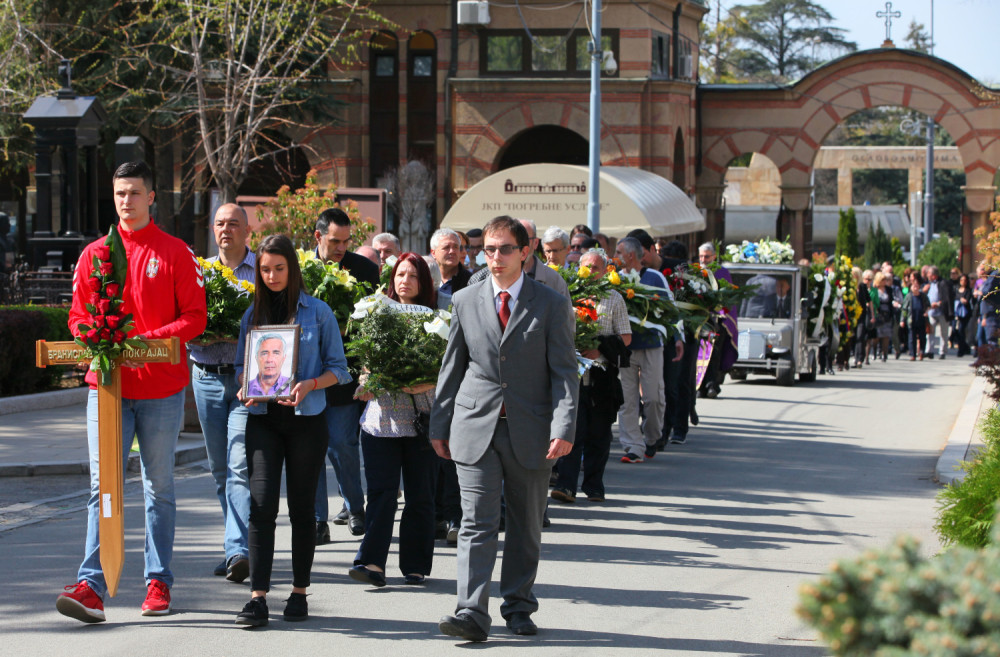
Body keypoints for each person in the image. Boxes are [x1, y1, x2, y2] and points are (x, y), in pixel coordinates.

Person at [58, 161, 207, 623]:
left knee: (158, 486)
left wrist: (150, 342)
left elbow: (195, 317)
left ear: (152, 197)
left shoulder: (175, 251)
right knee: (103, 487)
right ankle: (91, 586)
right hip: (106, 388)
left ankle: (158, 581)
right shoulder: (95, 253)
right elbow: (78, 318)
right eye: (120, 193)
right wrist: (94, 339)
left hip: (161, 390)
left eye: (135, 193)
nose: (126, 201)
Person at [430, 215, 578, 642]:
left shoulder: (550, 303)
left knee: (526, 523)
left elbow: (566, 373)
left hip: (531, 429)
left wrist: (564, 427)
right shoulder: (466, 300)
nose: (495, 257)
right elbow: (451, 368)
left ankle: (517, 604)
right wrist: (439, 424)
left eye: (505, 249)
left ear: (524, 251)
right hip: (475, 427)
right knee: (477, 522)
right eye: (488, 249)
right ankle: (471, 612)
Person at [234, 234, 351, 627]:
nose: (271, 276)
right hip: (263, 421)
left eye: (279, 268)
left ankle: (299, 592)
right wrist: (245, 386)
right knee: (261, 505)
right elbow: (240, 366)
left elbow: (340, 369)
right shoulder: (252, 316)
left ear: (292, 268)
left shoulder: (318, 312)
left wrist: (309, 385)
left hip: (307, 422)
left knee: (303, 509)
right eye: (265, 269)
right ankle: (257, 598)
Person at [349, 253, 439, 588]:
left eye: (413, 276)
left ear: (424, 282)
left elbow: (445, 370)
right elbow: (366, 365)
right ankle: (371, 562)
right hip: (381, 421)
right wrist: (367, 382)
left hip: (422, 418)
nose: (405, 281)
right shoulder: (375, 314)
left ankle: (415, 565)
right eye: (400, 275)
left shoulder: (436, 319)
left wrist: (420, 382)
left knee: (420, 496)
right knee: (382, 494)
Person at [189, 203, 254, 582]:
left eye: (233, 223)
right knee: (219, 471)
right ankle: (234, 546)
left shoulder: (263, 270)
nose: (226, 229)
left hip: (247, 382)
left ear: (247, 229)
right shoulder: (200, 272)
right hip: (207, 378)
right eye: (219, 223)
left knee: (239, 466)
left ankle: (239, 551)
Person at [313, 208, 380, 542]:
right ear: (318, 237)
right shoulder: (299, 268)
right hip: (306, 375)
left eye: (346, 241)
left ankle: (355, 507)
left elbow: (375, 323)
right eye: (334, 241)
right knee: (309, 449)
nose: (341, 247)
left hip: (346, 375)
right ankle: (316, 520)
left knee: (342, 443)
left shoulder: (365, 270)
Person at [551, 249, 630, 504]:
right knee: (572, 430)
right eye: (586, 266)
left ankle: (594, 485)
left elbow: (626, 338)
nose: (590, 271)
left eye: (595, 267)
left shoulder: (615, 298)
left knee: (599, 433)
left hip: (601, 377)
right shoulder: (569, 295)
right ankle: (566, 485)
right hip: (572, 375)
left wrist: (600, 347)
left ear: (605, 270)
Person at [614, 237, 682, 462]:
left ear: (630, 255)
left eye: (619, 252)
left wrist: (678, 337)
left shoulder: (655, 277)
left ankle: (652, 437)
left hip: (652, 345)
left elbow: (670, 309)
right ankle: (633, 446)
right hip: (625, 348)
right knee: (627, 399)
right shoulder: (615, 280)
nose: (616, 255)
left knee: (653, 398)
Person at [431, 228, 471, 301]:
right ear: (433, 252)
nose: (452, 251)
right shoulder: (424, 278)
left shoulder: (470, 281)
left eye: (456, 247)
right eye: (446, 247)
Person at [926, 266, 952, 359]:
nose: (927, 275)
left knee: (943, 333)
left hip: (942, 312)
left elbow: (946, 298)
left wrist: (938, 303)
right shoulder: (930, 284)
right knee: (930, 332)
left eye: (928, 273)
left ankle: (942, 352)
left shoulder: (943, 283)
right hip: (932, 312)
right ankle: (929, 351)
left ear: (933, 275)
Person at [901, 271, 928, 360]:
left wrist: (927, 312)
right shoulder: (909, 296)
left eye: (917, 286)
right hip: (911, 320)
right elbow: (904, 309)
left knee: (922, 337)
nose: (915, 288)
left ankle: (922, 352)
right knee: (911, 338)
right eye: (914, 286)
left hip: (921, 319)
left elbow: (928, 306)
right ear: (911, 288)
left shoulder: (923, 296)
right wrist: (902, 320)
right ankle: (913, 354)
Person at [870, 272, 894, 362]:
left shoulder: (888, 289)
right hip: (878, 313)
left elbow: (891, 300)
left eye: (886, 280)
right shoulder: (875, 289)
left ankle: (885, 354)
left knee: (886, 335)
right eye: (883, 280)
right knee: (877, 335)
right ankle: (875, 351)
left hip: (887, 313)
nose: (885, 281)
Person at [953, 273, 973, 357]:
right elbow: (954, 298)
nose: (963, 282)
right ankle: (966, 347)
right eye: (961, 280)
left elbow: (967, 300)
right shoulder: (956, 289)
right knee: (955, 330)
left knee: (961, 330)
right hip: (956, 313)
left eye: (965, 280)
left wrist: (962, 300)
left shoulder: (968, 290)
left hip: (965, 314)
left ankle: (961, 350)